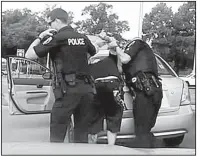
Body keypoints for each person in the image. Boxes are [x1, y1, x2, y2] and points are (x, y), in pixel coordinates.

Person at [25, 8, 97, 143]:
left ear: (57, 20)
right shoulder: (83, 37)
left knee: (57, 133)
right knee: (82, 133)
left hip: (68, 90)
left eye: (50, 23)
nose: (49, 27)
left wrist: (40, 37)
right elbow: (93, 51)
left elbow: (29, 55)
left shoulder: (57, 38)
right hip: (87, 90)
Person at [115, 37, 163, 148]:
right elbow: (120, 69)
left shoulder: (137, 43)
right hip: (150, 90)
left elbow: (124, 59)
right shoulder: (139, 56)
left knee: (142, 133)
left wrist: (115, 45)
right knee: (144, 131)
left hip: (146, 90)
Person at [88, 31, 123, 145]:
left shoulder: (89, 55)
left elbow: (113, 43)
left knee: (94, 119)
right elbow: (113, 43)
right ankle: (110, 148)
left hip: (96, 86)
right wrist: (105, 38)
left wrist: (104, 38)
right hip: (113, 85)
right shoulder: (108, 54)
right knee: (113, 118)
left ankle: (91, 148)